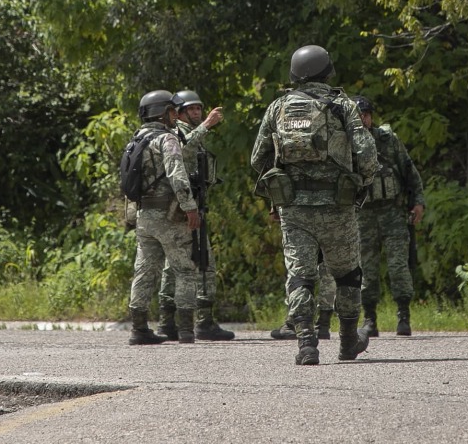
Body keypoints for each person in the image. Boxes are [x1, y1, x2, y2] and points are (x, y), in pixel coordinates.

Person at [250, 45, 379, 365]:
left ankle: (306, 343)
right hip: (337, 206)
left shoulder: (277, 107)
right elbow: (367, 157)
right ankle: (349, 341)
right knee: (348, 275)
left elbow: (257, 159)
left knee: (300, 275)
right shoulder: (343, 106)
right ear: (327, 72)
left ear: (295, 74)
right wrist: (359, 183)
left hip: (293, 208)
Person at [124, 90, 201, 346]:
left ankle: (139, 328)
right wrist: (190, 207)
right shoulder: (167, 139)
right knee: (184, 270)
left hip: (144, 215)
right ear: (164, 113)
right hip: (170, 216)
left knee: (144, 271)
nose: (174, 115)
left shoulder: (136, 139)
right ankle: (186, 330)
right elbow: (177, 175)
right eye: (172, 111)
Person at [156, 90, 232, 342]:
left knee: (179, 264)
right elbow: (183, 153)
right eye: (192, 110)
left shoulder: (186, 132)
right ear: (178, 113)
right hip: (182, 207)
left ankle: (170, 322)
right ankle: (201, 321)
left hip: (192, 204)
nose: (198, 113)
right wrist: (207, 126)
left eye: (200, 109)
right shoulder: (175, 133)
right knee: (203, 263)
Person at [355, 96, 426, 337]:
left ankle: (403, 317)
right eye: (358, 115)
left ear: (371, 116)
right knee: (366, 269)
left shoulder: (387, 140)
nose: (363, 119)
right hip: (363, 215)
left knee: (398, 266)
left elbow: (410, 171)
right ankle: (370, 319)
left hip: (393, 213)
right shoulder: (345, 145)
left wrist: (418, 202)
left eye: (366, 114)